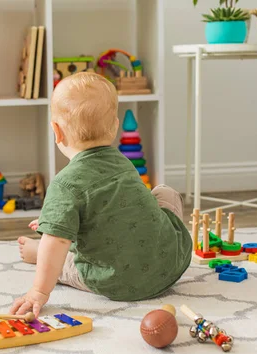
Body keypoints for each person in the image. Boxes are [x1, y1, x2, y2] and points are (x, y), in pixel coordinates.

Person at [10, 72, 192, 317]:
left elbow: (58, 241)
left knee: (59, 253)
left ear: (57, 131)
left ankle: (37, 250)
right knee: (164, 192)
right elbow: (123, 211)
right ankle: (54, 233)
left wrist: (38, 292)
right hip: (169, 264)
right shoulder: (123, 162)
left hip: (117, 281)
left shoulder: (64, 184)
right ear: (115, 127)